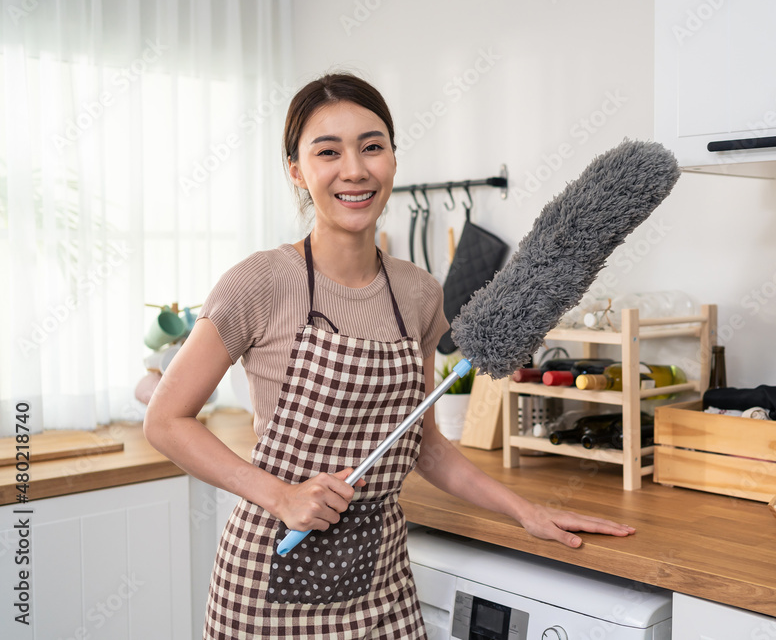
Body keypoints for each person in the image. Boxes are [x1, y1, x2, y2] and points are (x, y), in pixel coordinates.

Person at [144, 72, 635, 639]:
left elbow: (424, 446)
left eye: (371, 146)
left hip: (380, 577)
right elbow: (165, 420)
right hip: (268, 579)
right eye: (328, 152)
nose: (354, 169)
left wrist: (525, 511)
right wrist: (281, 495)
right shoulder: (260, 282)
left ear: (393, 161)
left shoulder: (420, 293)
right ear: (297, 172)